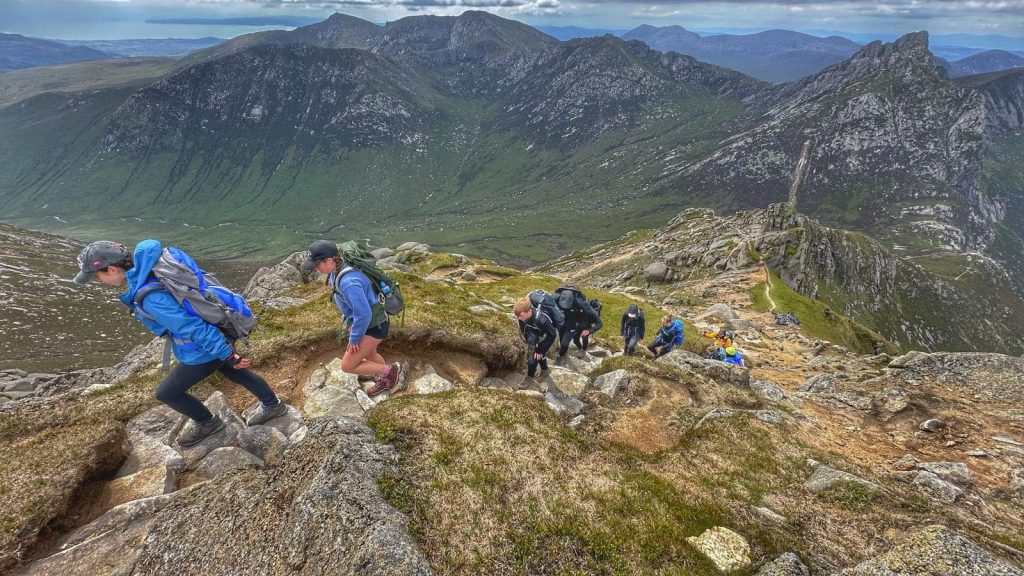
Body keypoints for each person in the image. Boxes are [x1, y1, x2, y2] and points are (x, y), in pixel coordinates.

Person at [73, 240, 286, 447]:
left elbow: (192, 327)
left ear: (111, 269)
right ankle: (273, 405)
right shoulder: (152, 270)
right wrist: (227, 352)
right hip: (218, 335)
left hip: (204, 349)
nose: (99, 281)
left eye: (98, 276)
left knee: (167, 393)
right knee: (234, 372)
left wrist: (226, 354)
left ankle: (208, 422)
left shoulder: (150, 296)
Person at [302, 240, 403, 397]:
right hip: (374, 322)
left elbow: (363, 314)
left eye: (317, 264)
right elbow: (354, 310)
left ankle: (390, 372)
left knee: (347, 365)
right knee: (370, 355)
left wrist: (355, 338)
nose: (315, 268)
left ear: (329, 260)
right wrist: (351, 323)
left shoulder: (349, 282)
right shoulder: (337, 269)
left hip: (374, 325)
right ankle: (384, 378)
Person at [514, 297, 559, 382]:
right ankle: (545, 370)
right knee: (537, 356)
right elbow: (524, 330)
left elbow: (552, 335)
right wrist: (531, 341)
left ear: (529, 311)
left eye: (520, 316)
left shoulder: (543, 320)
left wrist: (540, 349)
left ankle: (529, 378)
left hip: (545, 337)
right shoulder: (521, 317)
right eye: (517, 316)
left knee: (532, 361)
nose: (519, 318)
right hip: (533, 334)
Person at [554, 286, 601, 363]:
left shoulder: (583, 304)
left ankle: (562, 355)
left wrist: (590, 331)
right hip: (563, 323)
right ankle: (564, 353)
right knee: (565, 340)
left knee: (565, 343)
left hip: (575, 324)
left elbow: (599, 323)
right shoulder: (556, 298)